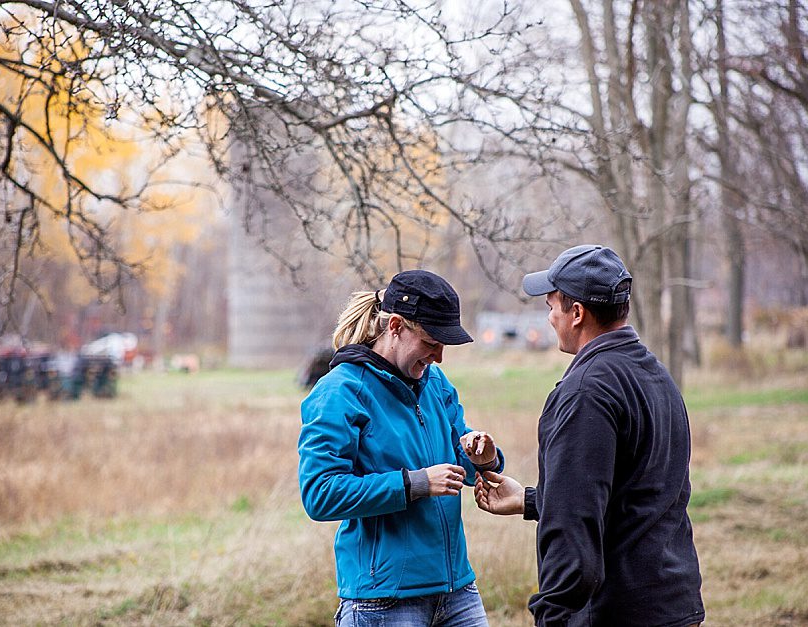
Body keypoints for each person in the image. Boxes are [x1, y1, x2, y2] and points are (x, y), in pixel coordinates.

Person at [474, 245, 705, 627]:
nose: (549, 318)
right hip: (674, 604)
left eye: (551, 306)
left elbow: (573, 527)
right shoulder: (655, 376)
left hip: (618, 612)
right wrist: (532, 500)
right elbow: (633, 492)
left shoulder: (586, 392)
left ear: (577, 313)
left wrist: (552, 615)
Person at [299, 270, 503, 627]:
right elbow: (320, 494)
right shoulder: (340, 391)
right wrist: (415, 484)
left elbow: (461, 456)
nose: (439, 356)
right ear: (395, 326)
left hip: (457, 591)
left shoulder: (434, 382)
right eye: (431, 342)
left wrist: (483, 458)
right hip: (383, 601)